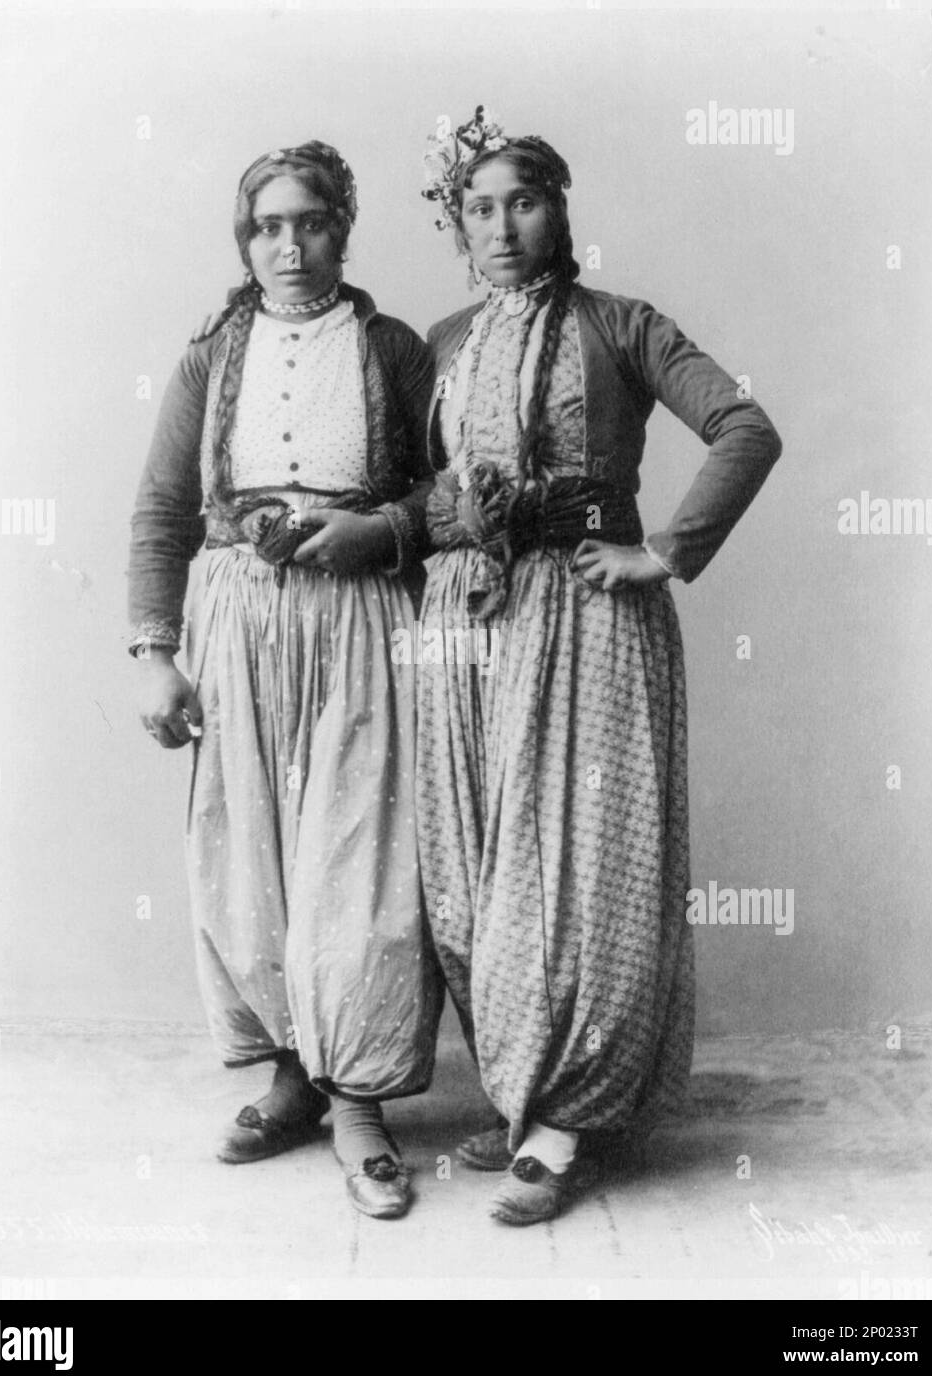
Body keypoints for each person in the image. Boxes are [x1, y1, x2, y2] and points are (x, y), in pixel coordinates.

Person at [416, 107, 783, 1225]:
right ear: (457, 224)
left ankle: (568, 1118)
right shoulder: (439, 343)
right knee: (467, 879)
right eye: (478, 208)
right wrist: (447, 511)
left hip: (586, 623)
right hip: (465, 626)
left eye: (522, 201)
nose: (501, 227)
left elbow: (743, 426)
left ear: (558, 210)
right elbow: (415, 494)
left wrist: (662, 551)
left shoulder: (621, 325)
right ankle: (518, 1084)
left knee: (575, 875)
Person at [128, 141, 441, 1219]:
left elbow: (447, 495)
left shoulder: (395, 349)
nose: (289, 245)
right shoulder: (211, 353)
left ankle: (359, 1099)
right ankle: (293, 1080)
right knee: (247, 854)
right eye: (267, 226)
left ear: (341, 230)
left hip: (363, 618)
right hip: (236, 623)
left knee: (363, 857)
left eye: (309, 221)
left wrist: (381, 529)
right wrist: (154, 654)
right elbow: (163, 511)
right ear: (244, 239)